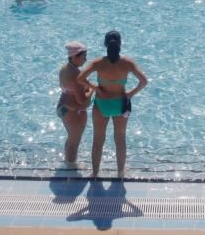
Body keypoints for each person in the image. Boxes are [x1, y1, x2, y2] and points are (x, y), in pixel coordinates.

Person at [77, 31, 148, 178]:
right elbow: (144, 81)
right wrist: (130, 94)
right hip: (120, 104)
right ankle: (120, 172)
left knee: (98, 140)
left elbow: (81, 78)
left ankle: (95, 173)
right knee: (120, 139)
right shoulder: (128, 63)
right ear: (120, 44)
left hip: (102, 103)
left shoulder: (97, 63)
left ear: (105, 45)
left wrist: (96, 88)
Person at [58, 41, 92, 165]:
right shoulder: (76, 74)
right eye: (84, 57)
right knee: (74, 141)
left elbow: (70, 89)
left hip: (63, 107)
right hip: (74, 111)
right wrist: (92, 89)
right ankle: (71, 169)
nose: (85, 60)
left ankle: (67, 162)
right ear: (75, 56)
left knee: (71, 138)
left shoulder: (64, 68)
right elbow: (82, 101)